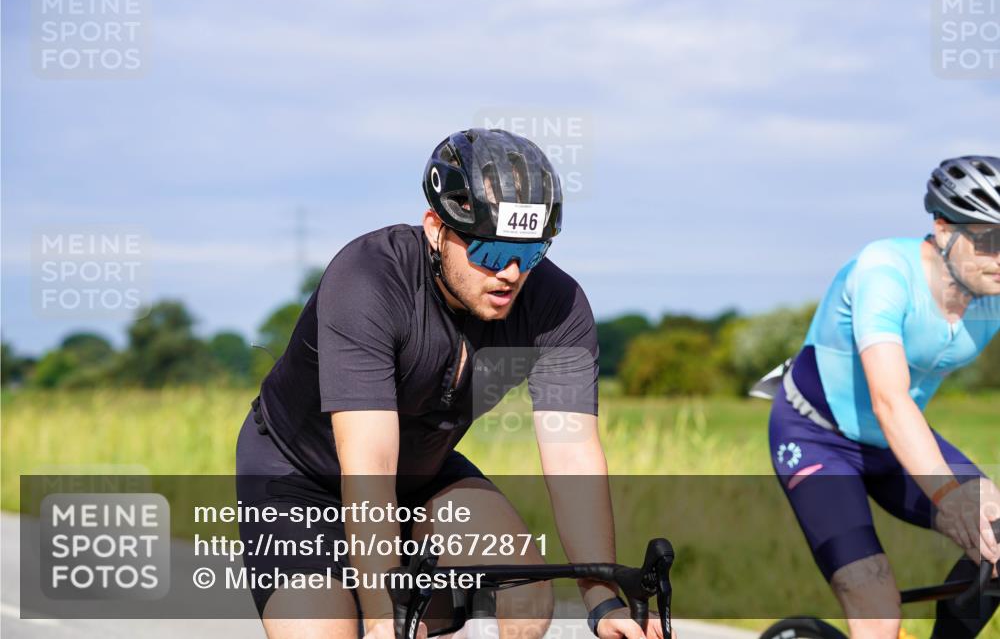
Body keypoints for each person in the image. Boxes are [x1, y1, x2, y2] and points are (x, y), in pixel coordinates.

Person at [236, 129, 666, 639]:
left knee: (527, 594)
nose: (509, 274)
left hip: (421, 475)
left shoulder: (558, 306)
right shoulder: (367, 281)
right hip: (300, 479)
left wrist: (603, 600)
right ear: (436, 228)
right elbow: (368, 466)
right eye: (488, 251)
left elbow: (572, 452)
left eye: (529, 255)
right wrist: (381, 618)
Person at [766, 155, 1000, 639]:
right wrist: (949, 496)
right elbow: (890, 400)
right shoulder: (884, 272)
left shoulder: (992, 289)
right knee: (877, 610)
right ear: (942, 227)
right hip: (817, 437)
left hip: (894, 441)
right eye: (989, 239)